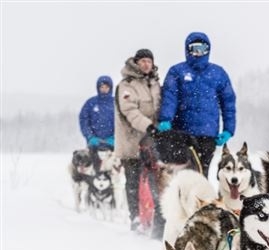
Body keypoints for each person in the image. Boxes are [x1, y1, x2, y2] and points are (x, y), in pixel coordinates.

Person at [157, 32, 236, 177]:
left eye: (202, 49)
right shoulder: (177, 71)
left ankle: (201, 199)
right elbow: (170, 97)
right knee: (183, 173)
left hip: (208, 133)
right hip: (182, 134)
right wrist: (165, 119)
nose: (198, 53)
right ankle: (182, 198)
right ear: (188, 49)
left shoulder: (218, 73)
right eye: (195, 48)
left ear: (208, 49)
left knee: (202, 173)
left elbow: (228, 103)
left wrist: (228, 130)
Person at [114, 48, 165, 238]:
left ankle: (153, 216)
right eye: (142, 61)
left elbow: (160, 108)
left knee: (155, 181)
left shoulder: (155, 84)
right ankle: (135, 217)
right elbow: (130, 111)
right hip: (132, 141)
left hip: (152, 142)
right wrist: (150, 126)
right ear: (136, 63)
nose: (146, 64)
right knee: (134, 181)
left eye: (149, 61)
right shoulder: (127, 85)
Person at [79, 75, 115, 169]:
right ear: (98, 88)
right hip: (94, 144)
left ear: (110, 88)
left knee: (113, 169)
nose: (104, 89)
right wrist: (90, 136)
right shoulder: (91, 103)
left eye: (106, 87)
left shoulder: (116, 103)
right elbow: (84, 120)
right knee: (93, 169)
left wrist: (115, 138)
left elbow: (122, 122)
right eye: (102, 87)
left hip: (113, 144)